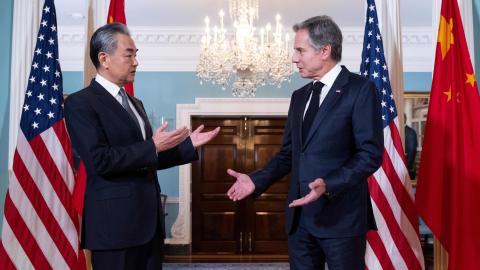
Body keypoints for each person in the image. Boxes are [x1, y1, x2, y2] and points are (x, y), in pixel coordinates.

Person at [227, 16, 383, 270]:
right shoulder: (299, 97)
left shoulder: (360, 89)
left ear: (324, 51)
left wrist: (329, 184)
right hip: (300, 223)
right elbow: (289, 154)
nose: (293, 58)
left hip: (341, 221)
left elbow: (370, 154)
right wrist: (256, 179)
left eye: (300, 50)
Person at [64, 22, 219, 270]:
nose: (136, 62)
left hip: (148, 226)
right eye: (129, 55)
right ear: (104, 58)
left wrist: (188, 146)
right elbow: (99, 161)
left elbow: (147, 159)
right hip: (114, 228)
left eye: (136, 55)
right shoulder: (80, 103)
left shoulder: (136, 103)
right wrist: (152, 146)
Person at [404, 114, 418, 179]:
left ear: (404, 119)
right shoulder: (399, 130)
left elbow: (412, 151)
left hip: (407, 169)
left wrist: (407, 167)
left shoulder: (410, 132)